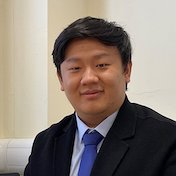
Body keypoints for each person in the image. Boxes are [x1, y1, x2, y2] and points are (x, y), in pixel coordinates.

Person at [24, 16, 176, 176]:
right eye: (75, 68)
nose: (89, 78)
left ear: (127, 71)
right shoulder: (45, 144)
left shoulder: (167, 140)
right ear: (61, 79)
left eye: (101, 65)